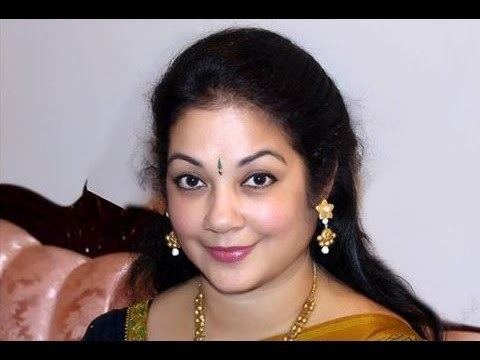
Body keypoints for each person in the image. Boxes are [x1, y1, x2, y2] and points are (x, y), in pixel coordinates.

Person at [83, 27, 443, 341]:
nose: (220, 218)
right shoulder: (117, 333)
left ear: (322, 181)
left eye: (257, 179)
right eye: (191, 180)